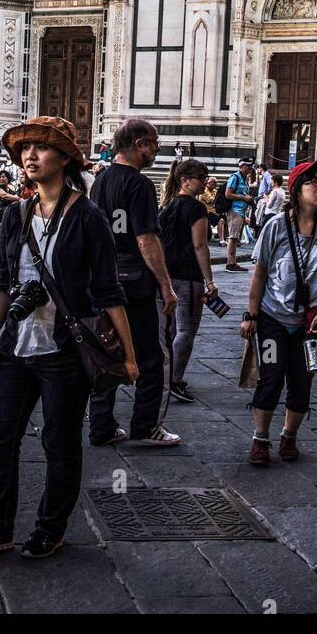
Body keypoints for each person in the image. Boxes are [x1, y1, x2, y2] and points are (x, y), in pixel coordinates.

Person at [0, 116, 136, 560]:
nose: (30, 156)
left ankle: (49, 528)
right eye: (25, 149)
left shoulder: (89, 218)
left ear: (66, 159)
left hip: (64, 351)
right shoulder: (16, 215)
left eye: (41, 148)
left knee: (59, 443)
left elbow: (110, 293)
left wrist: (130, 357)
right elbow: (3, 284)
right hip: (16, 348)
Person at [242, 158, 317, 466]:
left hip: (309, 323)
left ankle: (289, 436)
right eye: (312, 181)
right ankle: (260, 439)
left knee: (302, 382)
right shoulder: (276, 226)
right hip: (273, 318)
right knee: (271, 379)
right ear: (296, 190)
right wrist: (251, 316)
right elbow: (260, 273)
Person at [88, 117, 180, 448]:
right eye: (154, 143)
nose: (157, 149)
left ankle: (101, 426)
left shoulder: (100, 181)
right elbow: (146, 240)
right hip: (136, 283)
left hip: (104, 280)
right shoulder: (139, 184)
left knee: (107, 348)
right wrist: (166, 286)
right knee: (152, 356)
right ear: (139, 144)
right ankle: (146, 425)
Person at [159, 158, 218, 403]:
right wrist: (210, 281)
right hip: (188, 276)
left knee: (169, 329)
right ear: (185, 181)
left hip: (167, 275)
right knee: (186, 330)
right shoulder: (196, 209)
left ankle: (164, 377)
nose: (205, 183)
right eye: (200, 178)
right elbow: (200, 245)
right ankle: (174, 379)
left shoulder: (166, 206)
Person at [224, 161, 255, 271]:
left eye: (251, 166)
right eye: (248, 166)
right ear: (242, 167)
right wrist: (244, 198)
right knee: (233, 237)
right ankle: (231, 264)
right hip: (235, 210)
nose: (251, 168)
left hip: (241, 211)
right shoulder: (235, 177)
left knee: (235, 237)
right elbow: (228, 194)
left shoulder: (244, 179)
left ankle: (231, 262)